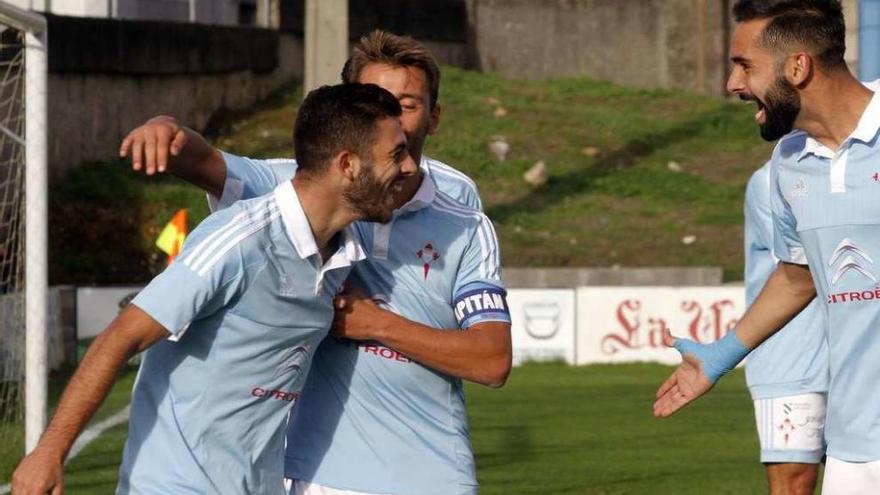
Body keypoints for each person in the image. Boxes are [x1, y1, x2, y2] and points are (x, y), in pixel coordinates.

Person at [120, 31, 512, 495]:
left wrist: (376, 323)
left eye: (407, 104)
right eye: (376, 100)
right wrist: (165, 128)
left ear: (434, 116)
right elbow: (205, 163)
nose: (394, 120)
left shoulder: (462, 213)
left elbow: (492, 360)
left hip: (430, 476)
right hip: (314, 474)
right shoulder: (302, 188)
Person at [11, 83, 417, 495]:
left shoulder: (340, 258)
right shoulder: (241, 240)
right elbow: (122, 335)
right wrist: (49, 452)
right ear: (347, 164)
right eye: (396, 154)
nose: (409, 169)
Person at [654, 1, 880, 492]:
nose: (733, 84)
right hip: (855, 445)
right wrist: (723, 354)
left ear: (798, 66)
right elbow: (799, 273)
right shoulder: (789, 162)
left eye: (745, 65)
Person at [743, 160, 827, 494]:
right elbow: (805, 268)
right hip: (792, 356)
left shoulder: (862, 174)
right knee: (795, 483)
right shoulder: (771, 180)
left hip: (860, 357)